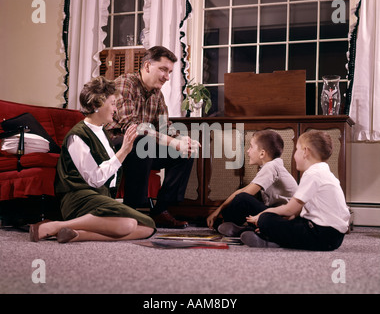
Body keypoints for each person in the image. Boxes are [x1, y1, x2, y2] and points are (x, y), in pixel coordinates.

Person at [29, 76, 156, 243]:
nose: (115, 109)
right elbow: (95, 179)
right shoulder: (77, 136)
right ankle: (54, 226)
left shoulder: (102, 132)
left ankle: (76, 234)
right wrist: (123, 152)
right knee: (128, 224)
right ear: (96, 105)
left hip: (100, 198)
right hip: (79, 198)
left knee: (147, 228)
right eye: (112, 103)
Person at [106, 46, 199, 228]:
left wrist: (182, 141)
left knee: (185, 153)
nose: (167, 77)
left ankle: (161, 210)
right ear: (147, 66)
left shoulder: (157, 94)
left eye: (170, 72)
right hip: (115, 143)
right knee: (142, 141)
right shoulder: (125, 84)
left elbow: (165, 127)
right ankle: (133, 210)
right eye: (163, 69)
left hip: (141, 147)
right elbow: (132, 127)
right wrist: (172, 142)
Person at [243, 130, 351, 251]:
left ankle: (270, 240)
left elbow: (289, 209)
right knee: (283, 220)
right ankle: (267, 233)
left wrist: (261, 216)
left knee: (266, 219)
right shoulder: (323, 171)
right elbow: (297, 211)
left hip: (323, 235)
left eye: (296, 149)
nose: (294, 155)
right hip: (333, 236)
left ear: (305, 152)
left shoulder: (313, 174)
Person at [207, 130, 298, 236]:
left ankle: (228, 224)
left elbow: (244, 194)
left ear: (262, 153)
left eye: (251, 147)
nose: (248, 151)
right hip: (278, 215)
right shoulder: (272, 166)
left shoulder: (271, 167)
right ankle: (237, 228)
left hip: (284, 218)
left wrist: (217, 211)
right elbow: (243, 190)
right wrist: (218, 210)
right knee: (243, 197)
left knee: (242, 199)